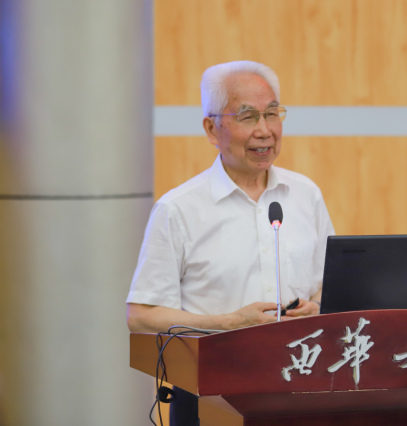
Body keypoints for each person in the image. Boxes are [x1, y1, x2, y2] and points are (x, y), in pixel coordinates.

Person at [126, 61, 335, 424]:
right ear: (212, 129)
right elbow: (141, 316)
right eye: (247, 116)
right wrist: (228, 323)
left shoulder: (306, 195)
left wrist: (316, 307)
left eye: (272, 114)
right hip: (209, 395)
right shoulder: (179, 209)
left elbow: (327, 285)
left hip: (301, 388)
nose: (264, 131)